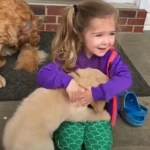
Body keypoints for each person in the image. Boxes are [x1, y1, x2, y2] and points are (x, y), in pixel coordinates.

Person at [37, 0, 132, 149]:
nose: (107, 41)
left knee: (100, 146)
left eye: (111, 33)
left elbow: (125, 79)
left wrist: (96, 93)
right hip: (71, 111)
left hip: (98, 113)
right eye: (98, 35)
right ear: (80, 34)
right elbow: (43, 75)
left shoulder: (111, 58)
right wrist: (67, 81)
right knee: (69, 144)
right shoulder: (69, 56)